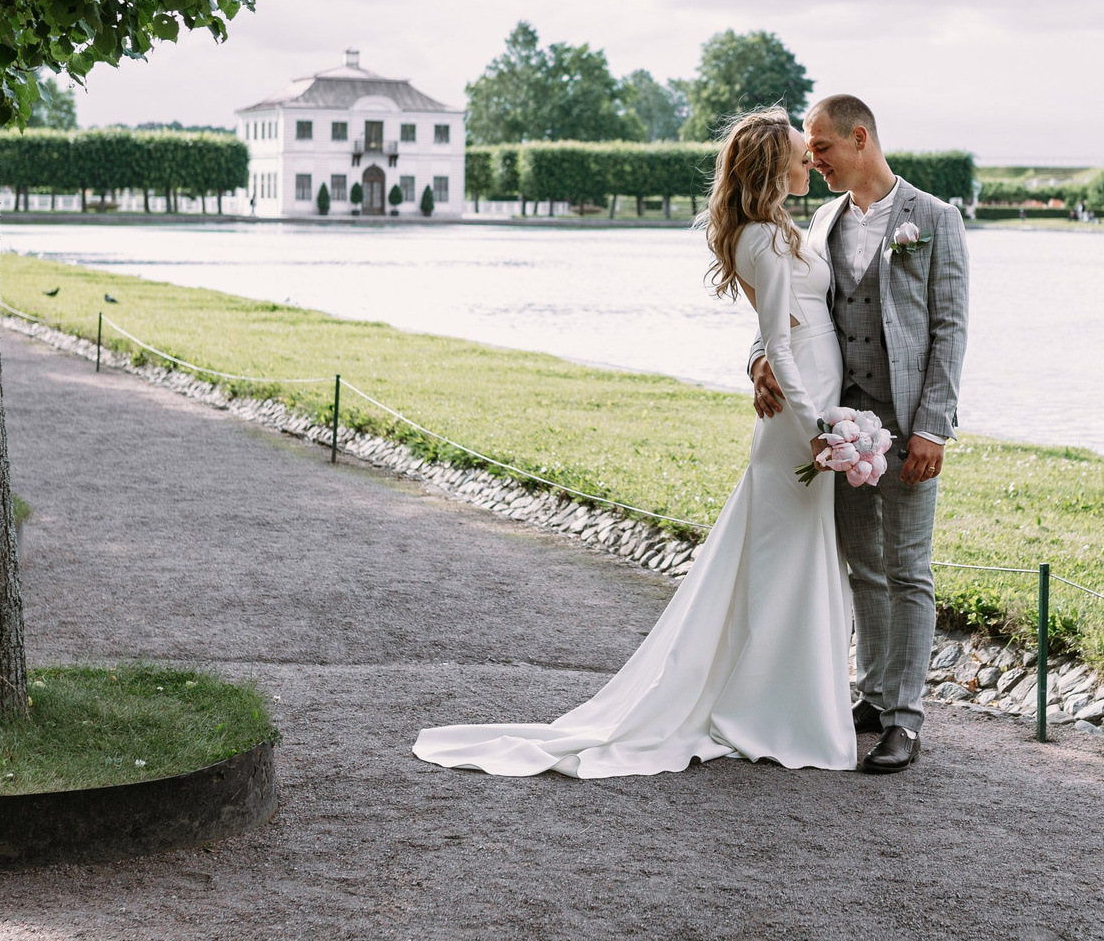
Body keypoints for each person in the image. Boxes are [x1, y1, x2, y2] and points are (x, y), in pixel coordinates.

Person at [413, 110, 858, 779]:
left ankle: (787, 698)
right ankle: (771, 706)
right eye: (800, 155)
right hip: (800, 417)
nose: (809, 162)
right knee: (783, 557)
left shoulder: (778, 230)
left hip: (812, 403)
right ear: (773, 167)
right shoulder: (766, 239)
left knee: (795, 554)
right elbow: (780, 346)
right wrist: (817, 424)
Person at [750, 93, 968, 774]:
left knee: (909, 570)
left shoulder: (935, 218)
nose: (812, 160)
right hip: (839, 427)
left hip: (907, 426)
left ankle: (905, 719)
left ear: (861, 138)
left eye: (821, 147)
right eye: (809, 149)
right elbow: (790, 307)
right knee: (863, 567)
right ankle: (873, 696)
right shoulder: (822, 221)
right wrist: (758, 360)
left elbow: (949, 329)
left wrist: (933, 426)